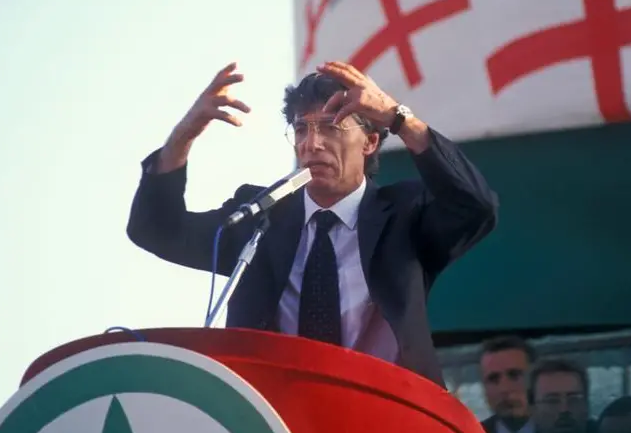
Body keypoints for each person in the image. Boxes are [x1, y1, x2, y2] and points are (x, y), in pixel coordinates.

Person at [126, 60, 498, 386]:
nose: (312, 143)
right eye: (301, 129)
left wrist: (399, 119)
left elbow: (475, 206)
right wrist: (184, 136)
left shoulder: (404, 213)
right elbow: (157, 230)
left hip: (388, 420)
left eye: (331, 126)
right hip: (279, 427)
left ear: (369, 142)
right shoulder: (261, 215)